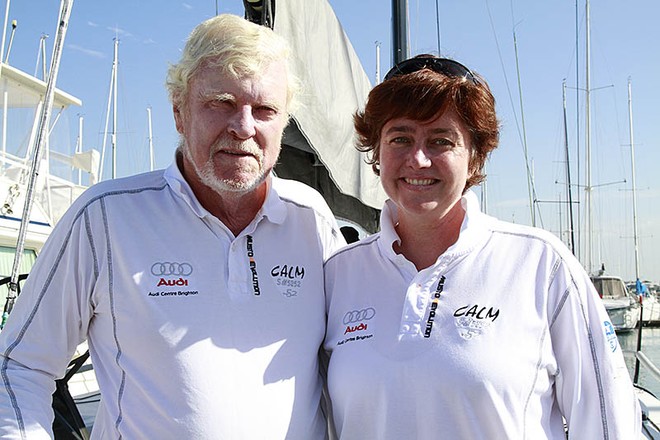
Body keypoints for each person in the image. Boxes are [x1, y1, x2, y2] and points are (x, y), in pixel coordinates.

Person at [0, 14, 344, 439]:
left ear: (284, 122)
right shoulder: (105, 217)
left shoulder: (310, 218)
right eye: (221, 102)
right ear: (179, 112)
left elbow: (344, 366)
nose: (244, 126)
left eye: (265, 109)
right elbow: (20, 365)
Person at [323, 54, 641, 439]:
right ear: (377, 153)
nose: (418, 159)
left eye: (442, 140)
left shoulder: (541, 266)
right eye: (399, 139)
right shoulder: (337, 275)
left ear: (475, 157)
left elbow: (610, 425)